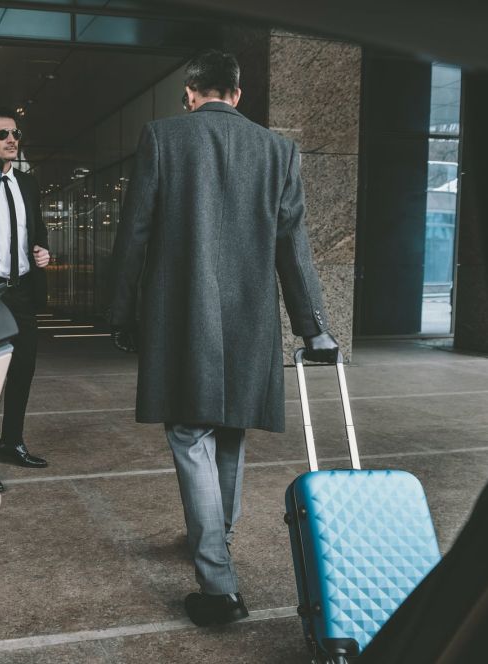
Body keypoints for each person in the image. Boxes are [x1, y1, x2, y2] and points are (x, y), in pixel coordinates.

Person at [110, 49, 339, 627]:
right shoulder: (278, 151)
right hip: (250, 321)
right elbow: (294, 248)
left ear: (190, 93)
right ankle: (218, 533)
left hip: (183, 318)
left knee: (190, 433)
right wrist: (314, 327)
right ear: (237, 94)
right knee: (229, 428)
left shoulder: (163, 138)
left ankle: (217, 584)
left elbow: (135, 231)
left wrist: (120, 313)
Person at [0, 108, 52, 493]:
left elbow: (36, 230)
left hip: (21, 289)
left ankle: (11, 442)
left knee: (22, 368)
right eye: (2, 133)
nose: (11, 139)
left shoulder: (28, 184)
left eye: (15, 133)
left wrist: (44, 251)